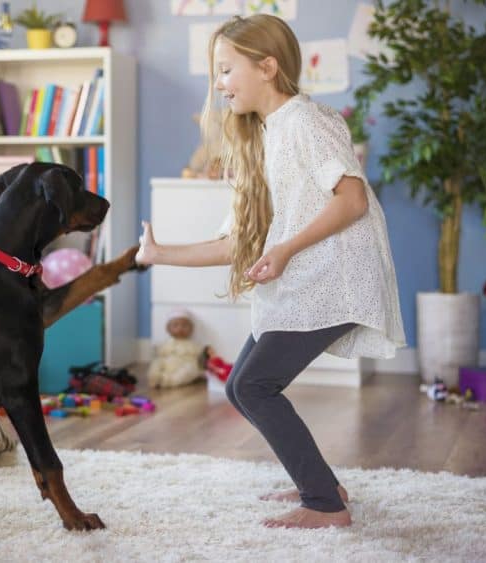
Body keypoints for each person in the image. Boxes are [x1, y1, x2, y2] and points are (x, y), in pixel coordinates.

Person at [135, 14, 405, 529]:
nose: (217, 84)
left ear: (267, 67)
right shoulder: (264, 137)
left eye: (225, 70)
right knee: (242, 385)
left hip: (337, 280)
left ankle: (326, 507)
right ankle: (324, 486)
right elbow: (235, 243)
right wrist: (159, 253)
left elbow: (351, 202)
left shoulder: (307, 120)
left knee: (255, 385)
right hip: (308, 279)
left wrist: (284, 250)